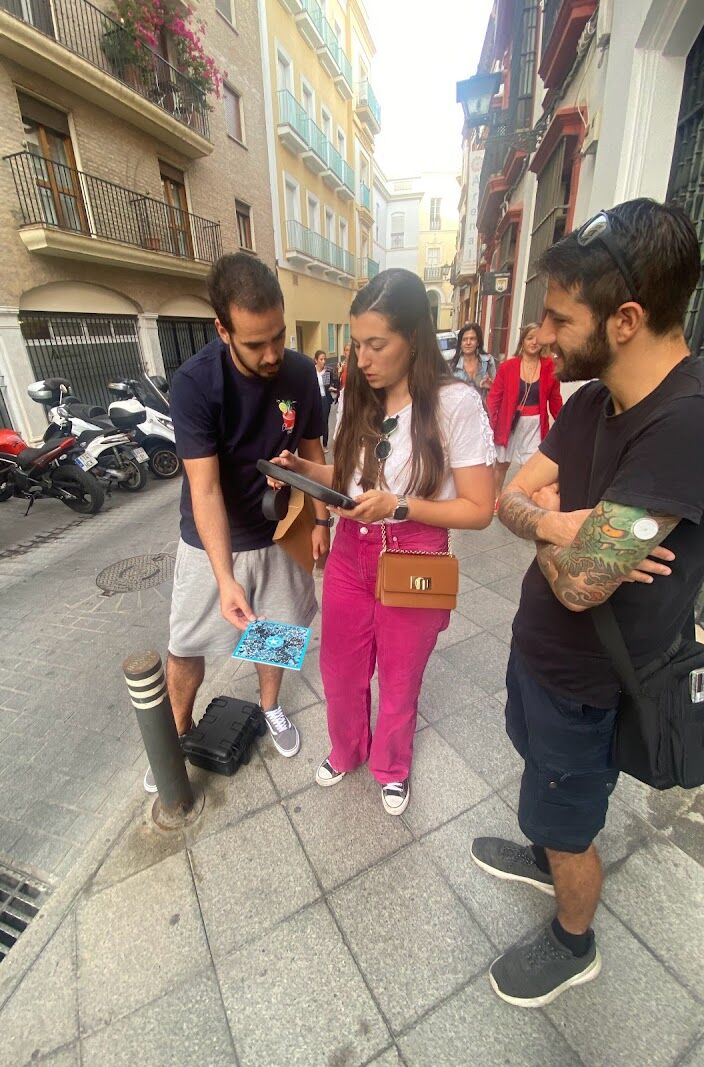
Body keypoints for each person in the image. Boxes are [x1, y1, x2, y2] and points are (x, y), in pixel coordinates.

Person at [471, 198, 704, 1007]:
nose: (540, 336)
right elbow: (509, 495)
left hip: (590, 687)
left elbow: (581, 584)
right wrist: (559, 525)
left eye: (558, 319)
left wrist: (556, 531)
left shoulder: (684, 427)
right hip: (539, 657)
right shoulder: (593, 400)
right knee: (541, 781)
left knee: (570, 822)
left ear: (625, 320)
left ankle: (574, 940)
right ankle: (546, 853)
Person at [271, 269, 495, 814]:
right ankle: (346, 749)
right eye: (357, 345)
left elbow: (479, 509)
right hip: (351, 550)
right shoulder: (359, 398)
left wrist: (400, 506)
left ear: (413, 337)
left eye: (377, 344)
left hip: (415, 552)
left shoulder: (455, 403)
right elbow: (347, 480)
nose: (363, 359)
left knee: (400, 676)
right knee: (340, 669)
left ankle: (392, 767)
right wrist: (303, 469)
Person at [144, 253, 331, 792]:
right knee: (186, 644)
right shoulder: (195, 383)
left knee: (276, 633)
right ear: (222, 330)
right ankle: (175, 736)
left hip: (280, 530)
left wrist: (321, 519)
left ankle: (270, 706)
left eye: (278, 336)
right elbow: (204, 489)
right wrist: (224, 577)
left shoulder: (300, 372)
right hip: (210, 540)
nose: (272, 354)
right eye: (255, 344)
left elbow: (313, 447)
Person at [486, 322, 563, 507]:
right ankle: (496, 498)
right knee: (502, 464)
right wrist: (491, 422)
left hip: (535, 424)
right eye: (529, 338)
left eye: (537, 339)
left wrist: (563, 422)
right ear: (522, 341)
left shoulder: (549, 367)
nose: (534, 342)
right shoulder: (508, 366)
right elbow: (494, 397)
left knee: (531, 465)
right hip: (509, 422)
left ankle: (524, 502)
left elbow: (555, 399)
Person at [451, 322, 497, 402]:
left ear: (478, 342)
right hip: (460, 408)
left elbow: (497, 390)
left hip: (482, 408)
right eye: (464, 339)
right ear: (460, 343)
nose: (468, 343)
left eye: (472, 339)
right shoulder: (453, 365)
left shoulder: (488, 361)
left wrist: (491, 386)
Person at [313, 349, 335, 448]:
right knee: (315, 422)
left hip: (325, 399)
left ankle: (324, 445)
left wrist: (332, 387)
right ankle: (315, 444)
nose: (324, 361)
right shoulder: (312, 372)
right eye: (321, 359)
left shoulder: (328, 372)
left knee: (324, 422)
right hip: (315, 400)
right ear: (316, 360)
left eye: (325, 359)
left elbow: (332, 384)